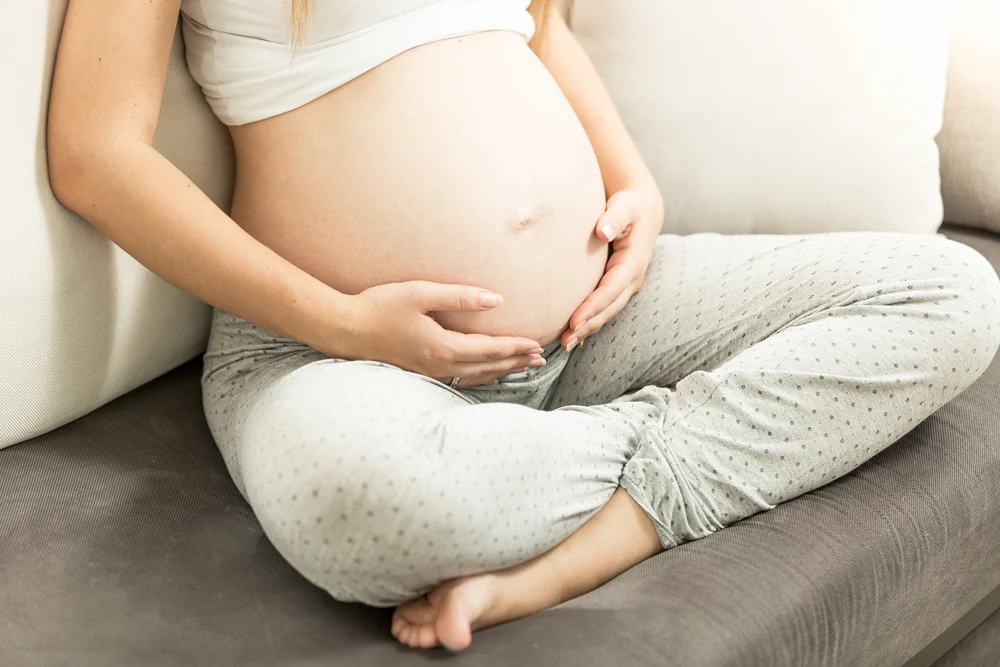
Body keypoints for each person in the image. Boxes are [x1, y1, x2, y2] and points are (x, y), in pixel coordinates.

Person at [47, 0, 1000, 653]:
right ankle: (703, 428)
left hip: (596, 321)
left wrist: (636, 180)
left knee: (951, 294)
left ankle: (609, 531)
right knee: (363, 508)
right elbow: (95, 153)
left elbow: (535, 26)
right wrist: (341, 322)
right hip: (329, 352)